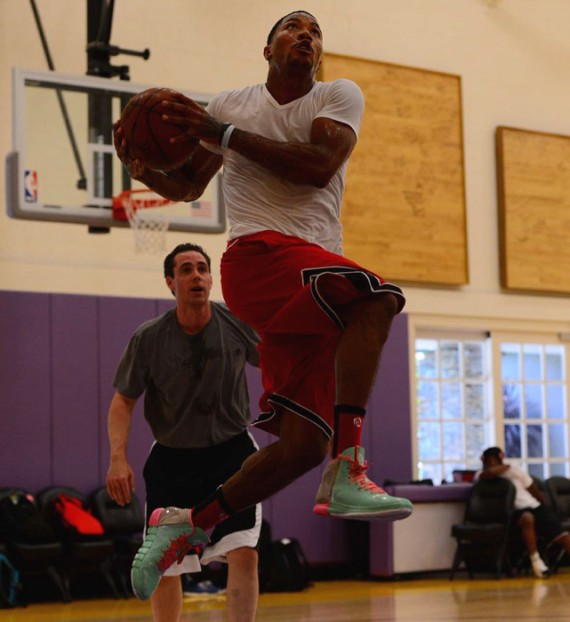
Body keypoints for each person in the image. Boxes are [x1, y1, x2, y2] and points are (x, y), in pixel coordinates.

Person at [114, 10, 413, 600]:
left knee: (300, 449)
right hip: (258, 258)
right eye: (292, 27)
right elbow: (189, 185)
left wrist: (219, 134)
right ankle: (349, 465)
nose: (306, 35)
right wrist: (140, 165)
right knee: (378, 300)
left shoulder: (336, 96)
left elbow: (317, 167)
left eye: (316, 31)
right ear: (267, 46)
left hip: (312, 281)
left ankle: (184, 527)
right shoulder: (230, 104)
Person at [106, 243, 261, 622]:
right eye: (186, 269)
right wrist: (117, 459)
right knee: (165, 561)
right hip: (173, 459)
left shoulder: (237, 324)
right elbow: (122, 401)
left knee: (244, 551)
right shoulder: (150, 337)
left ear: (211, 279)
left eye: (202, 269)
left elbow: (278, 364)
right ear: (170, 283)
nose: (196, 275)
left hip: (232, 453)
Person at [479, 447, 570, 578]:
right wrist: (505, 467)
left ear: (500, 458)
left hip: (533, 505)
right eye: (489, 461)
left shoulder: (515, 469)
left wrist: (544, 506)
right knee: (528, 518)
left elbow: (531, 487)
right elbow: (490, 473)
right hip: (513, 512)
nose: (492, 463)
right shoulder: (482, 475)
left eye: (494, 460)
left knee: (562, 535)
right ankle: (536, 561)